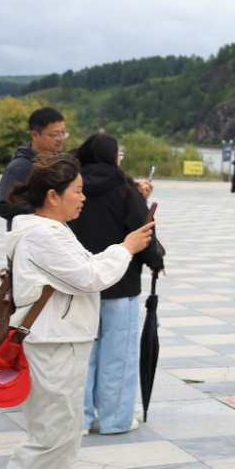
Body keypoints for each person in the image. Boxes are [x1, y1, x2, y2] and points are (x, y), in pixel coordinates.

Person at [0, 154, 156, 469]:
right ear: (53, 196)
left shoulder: (55, 230)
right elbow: (89, 277)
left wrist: (121, 249)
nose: (82, 198)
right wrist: (126, 248)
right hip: (51, 344)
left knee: (66, 433)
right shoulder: (42, 236)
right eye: (78, 191)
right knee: (50, 435)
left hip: (65, 340)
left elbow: (85, 269)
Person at [70, 135, 164, 434]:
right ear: (113, 156)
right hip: (120, 284)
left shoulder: (71, 186)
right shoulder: (125, 190)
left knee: (80, 355)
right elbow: (141, 230)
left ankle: (79, 420)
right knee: (118, 356)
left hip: (79, 283)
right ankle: (115, 419)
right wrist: (156, 261)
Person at [0, 108, 70, 225]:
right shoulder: (19, 167)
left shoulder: (61, 163)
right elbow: (4, 207)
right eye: (55, 135)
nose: (61, 139)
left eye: (63, 133)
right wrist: (45, 205)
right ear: (35, 135)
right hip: (30, 236)